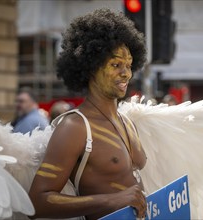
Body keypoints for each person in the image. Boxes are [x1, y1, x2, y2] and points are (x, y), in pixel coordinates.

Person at [28, 9, 147, 219]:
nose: (126, 73)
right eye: (116, 64)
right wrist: (113, 200)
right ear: (91, 67)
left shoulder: (128, 123)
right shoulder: (74, 127)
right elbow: (37, 201)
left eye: (128, 65)